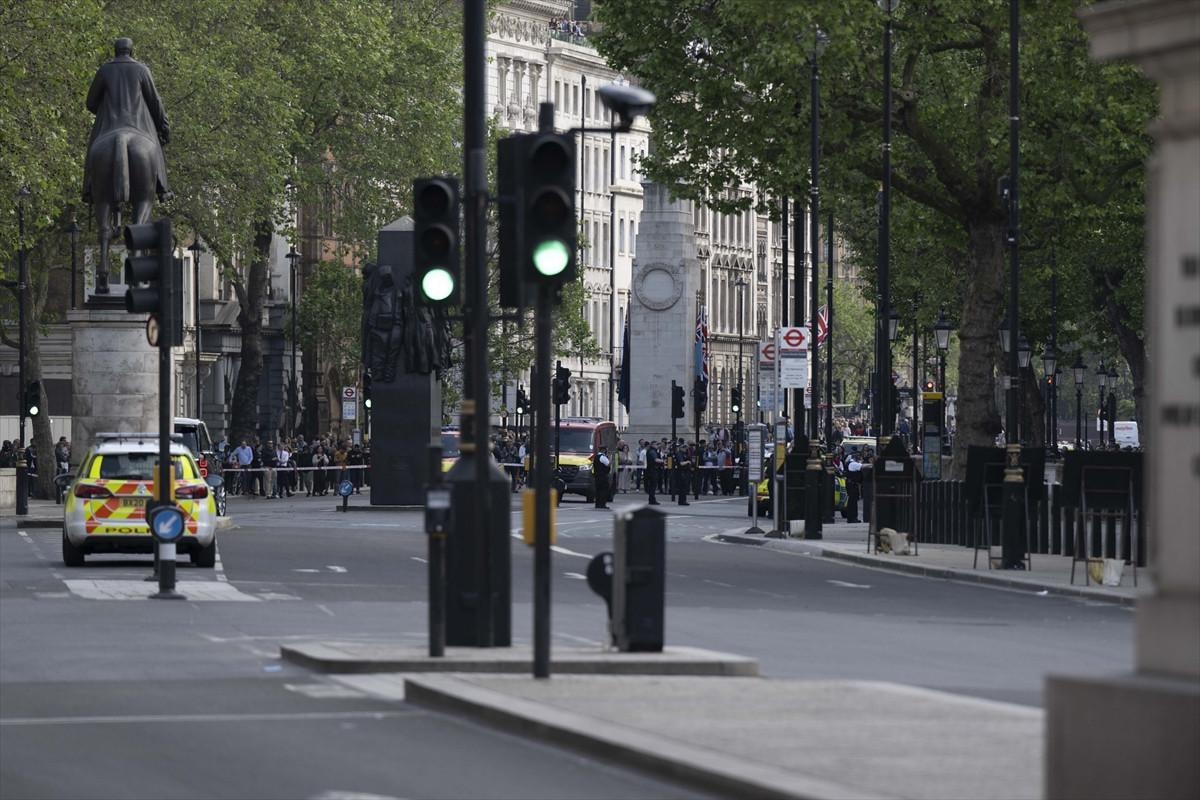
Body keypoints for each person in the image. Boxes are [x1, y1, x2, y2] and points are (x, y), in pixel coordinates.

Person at [83, 38, 171, 204]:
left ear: (115, 51)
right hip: (138, 126)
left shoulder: (104, 70)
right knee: (155, 148)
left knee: (93, 149)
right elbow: (155, 102)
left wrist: (105, 111)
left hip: (109, 127)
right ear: (131, 51)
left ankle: (88, 187)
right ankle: (163, 189)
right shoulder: (142, 70)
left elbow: (91, 102)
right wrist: (164, 126)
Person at [644, 439, 661, 505]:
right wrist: (663, 461)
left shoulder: (651, 451)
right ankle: (652, 500)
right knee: (653, 486)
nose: (657, 446)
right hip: (653, 471)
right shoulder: (652, 451)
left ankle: (651, 499)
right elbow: (655, 459)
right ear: (653, 445)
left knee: (652, 486)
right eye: (656, 444)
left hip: (651, 470)